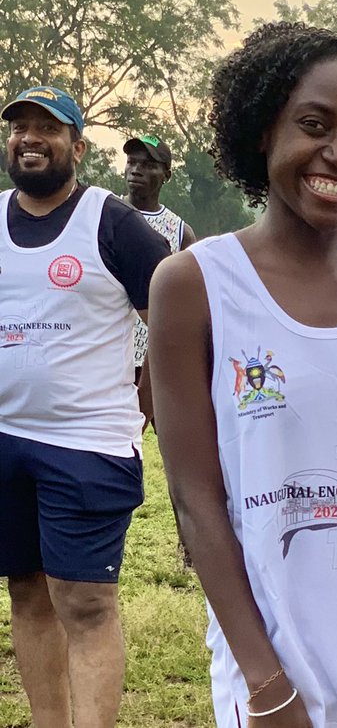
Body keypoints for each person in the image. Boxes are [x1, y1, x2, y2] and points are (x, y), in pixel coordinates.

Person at [148, 22, 337, 727]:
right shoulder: (195, 284)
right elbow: (195, 500)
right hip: (283, 658)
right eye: (314, 125)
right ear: (262, 131)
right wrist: (265, 681)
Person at [0, 86, 170, 728]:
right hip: (5, 439)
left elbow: (173, 320)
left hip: (88, 444)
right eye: (20, 128)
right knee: (27, 591)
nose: (30, 138)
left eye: (48, 128)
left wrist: (171, 413)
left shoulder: (110, 221)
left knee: (88, 603)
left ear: (77, 146)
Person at [122, 134, 196, 379]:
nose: (136, 170)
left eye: (148, 166)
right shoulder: (103, 216)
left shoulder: (180, 232)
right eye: (132, 162)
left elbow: (185, 305)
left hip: (154, 360)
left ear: (166, 175)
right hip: (107, 353)